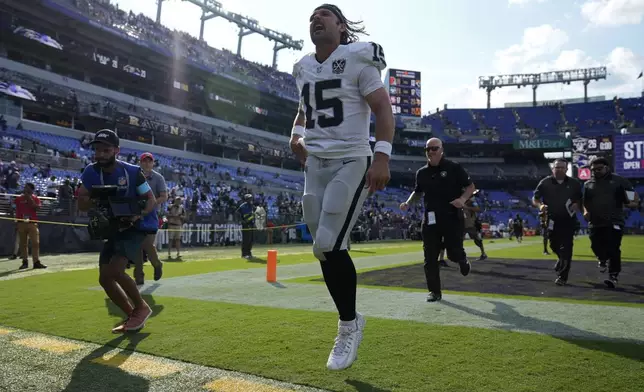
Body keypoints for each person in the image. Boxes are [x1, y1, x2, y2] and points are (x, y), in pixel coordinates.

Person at [290, 3, 394, 371]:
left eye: (325, 14)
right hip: (316, 161)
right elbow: (305, 109)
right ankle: (350, 318)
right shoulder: (302, 67)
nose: (316, 19)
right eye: (311, 17)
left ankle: (348, 325)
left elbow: (382, 108)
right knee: (324, 248)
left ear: (342, 26)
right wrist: (296, 135)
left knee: (329, 241)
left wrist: (381, 156)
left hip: (352, 157)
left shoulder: (358, 58)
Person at [76, 129, 157, 333]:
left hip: (135, 227)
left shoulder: (131, 172)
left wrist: (138, 215)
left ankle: (141, 308)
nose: (100, 154)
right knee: (104, 278)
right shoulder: (90, 172)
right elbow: (82, 203)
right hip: (113, 228)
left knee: (114, 271)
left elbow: (150, 200)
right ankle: (134, 315)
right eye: (97, 150)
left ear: (116, 150)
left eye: (106, 150)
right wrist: (95, 198)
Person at [400, 138, 475, 303]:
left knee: (454, 254)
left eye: (434, 148)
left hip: (451, 217)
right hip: (430, 219)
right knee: (430, 258)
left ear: (442, 150)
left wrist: (462, 200)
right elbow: (417, 192)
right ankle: (434, 292)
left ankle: (462, 261)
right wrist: (408, 202)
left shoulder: (454, 168)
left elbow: (471, 187)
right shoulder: (421, 173)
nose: (431, 152)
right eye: (428, 149)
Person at [582, 157, 639, 288]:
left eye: (599, 169)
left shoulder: (619, 181)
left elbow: (633, 198)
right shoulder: (588, 184)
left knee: (613, 248)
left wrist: (631, 203)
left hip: (614, 220)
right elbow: (585, 203)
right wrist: (585, 211)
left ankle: (613, 276)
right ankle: (602, 259)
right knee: (595, 246)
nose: (596, 171)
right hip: (595, 221)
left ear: (607, 167)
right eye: (593, 170)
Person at [532, 158, 583, 285]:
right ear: (552, 168)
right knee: (553, 245)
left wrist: (577, 204)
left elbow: (580, 198)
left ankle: (563, 276)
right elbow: (535, 198)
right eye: (557, 167)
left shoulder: (574, 183)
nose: (559, 169)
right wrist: (540, 206)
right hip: (551, 219)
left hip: (568, 219)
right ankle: (561, 260)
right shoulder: (545, 182)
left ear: (566, 169)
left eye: (562, 167)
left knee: (567, 248)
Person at [134, 152, 166, 285]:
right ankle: (139, 274)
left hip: (152, 215)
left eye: (149, 161)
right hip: (137, 213)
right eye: (144, 161)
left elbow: (164, 196)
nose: (147, 163)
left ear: (153, 163)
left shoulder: (158, 178)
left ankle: (156, 264)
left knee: (147, 244)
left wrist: (150, 204)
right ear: (140, 163)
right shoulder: (135, 176)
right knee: (136, 245)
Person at [15, 183, 46, 270]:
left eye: (27, 187)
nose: (25, 189)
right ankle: (25, 262)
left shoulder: (36, 198)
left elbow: (37, 208)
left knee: (35, 243)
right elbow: (16, 209)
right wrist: (16, 221)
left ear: (32, 189)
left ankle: (36, 262)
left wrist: (29, 198)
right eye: (24, 187)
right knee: (23, 243)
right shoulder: (19, 199)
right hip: (21, 223)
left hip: (32, 222)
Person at [463, 191, 487, 260]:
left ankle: (483, 253)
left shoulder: (472, 202)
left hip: (471, 225)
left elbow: (478, 209)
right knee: (460, 240)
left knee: (477, 240)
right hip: (463, 224)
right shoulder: (464, 201)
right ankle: (461, 256)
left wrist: (467, 207)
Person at [236, 194, 255, 258]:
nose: (251, 200)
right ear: (246, 199)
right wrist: (242, 221)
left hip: (251, 224)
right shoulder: (243, 206)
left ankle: (249, 253)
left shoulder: (252, 206)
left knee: (250, 239)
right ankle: (244, 254)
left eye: (251, 198)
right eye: (249, 198)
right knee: (246, 239)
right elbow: (237, 213)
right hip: (245, 225)